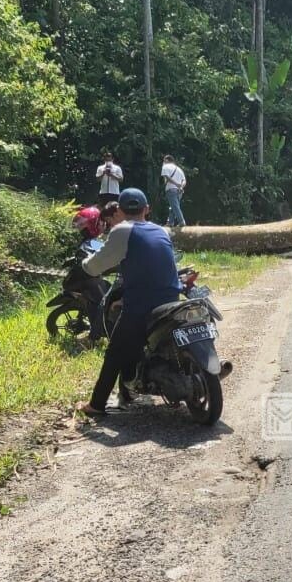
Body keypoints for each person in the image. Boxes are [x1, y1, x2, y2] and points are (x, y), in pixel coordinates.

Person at [77, 188, 181, 416]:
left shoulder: (122, 231)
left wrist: (84, 264)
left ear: (121, 211)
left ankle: (96, 405)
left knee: (114, 351)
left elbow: (95, 266)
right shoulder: (162, 230)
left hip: (142, 306)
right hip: (172, 300)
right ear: (147, 209)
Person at [160, 154, 187, 228]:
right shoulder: (179, 169)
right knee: (173, 206)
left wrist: (176, 184)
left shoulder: (165, 167)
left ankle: (182, 222)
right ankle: (170, 222)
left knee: (175, 206)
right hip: (179, 191)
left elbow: (167, 177)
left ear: (166, 160)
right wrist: (181, 186)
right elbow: (184, 180)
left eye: (164, 160)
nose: (163, 162)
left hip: (171, 189)